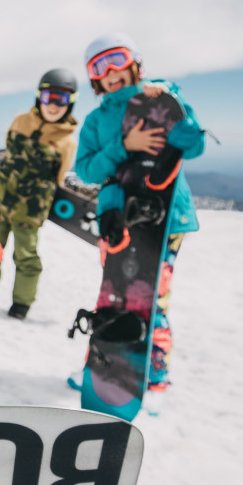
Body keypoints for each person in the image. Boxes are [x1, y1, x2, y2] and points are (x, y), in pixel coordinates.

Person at [73, 32, 205, 396]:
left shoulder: (159, 102)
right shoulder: (97, 121)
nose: (111, 71)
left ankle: (154, 369)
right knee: (114, 293)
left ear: (135, 63)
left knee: (152, 297)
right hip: (117, 219)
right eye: (100, 66)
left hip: (164, 219)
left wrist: (172, 98)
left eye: (117, 60)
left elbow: (193, 145)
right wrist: (123, 146)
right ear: (94, 78)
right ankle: (101, 365)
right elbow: (86, 171)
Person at [0, 68, 79, 320]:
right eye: (49, 96)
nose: (53, 105)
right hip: (0, 200)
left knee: (26, 256)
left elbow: (60, 176)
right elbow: (6, 153)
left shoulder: (68, 141)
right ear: (39, 96)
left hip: (30, 210)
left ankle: (22, 301)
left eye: (60, 99)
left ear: (70, 103)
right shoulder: (20, 121)